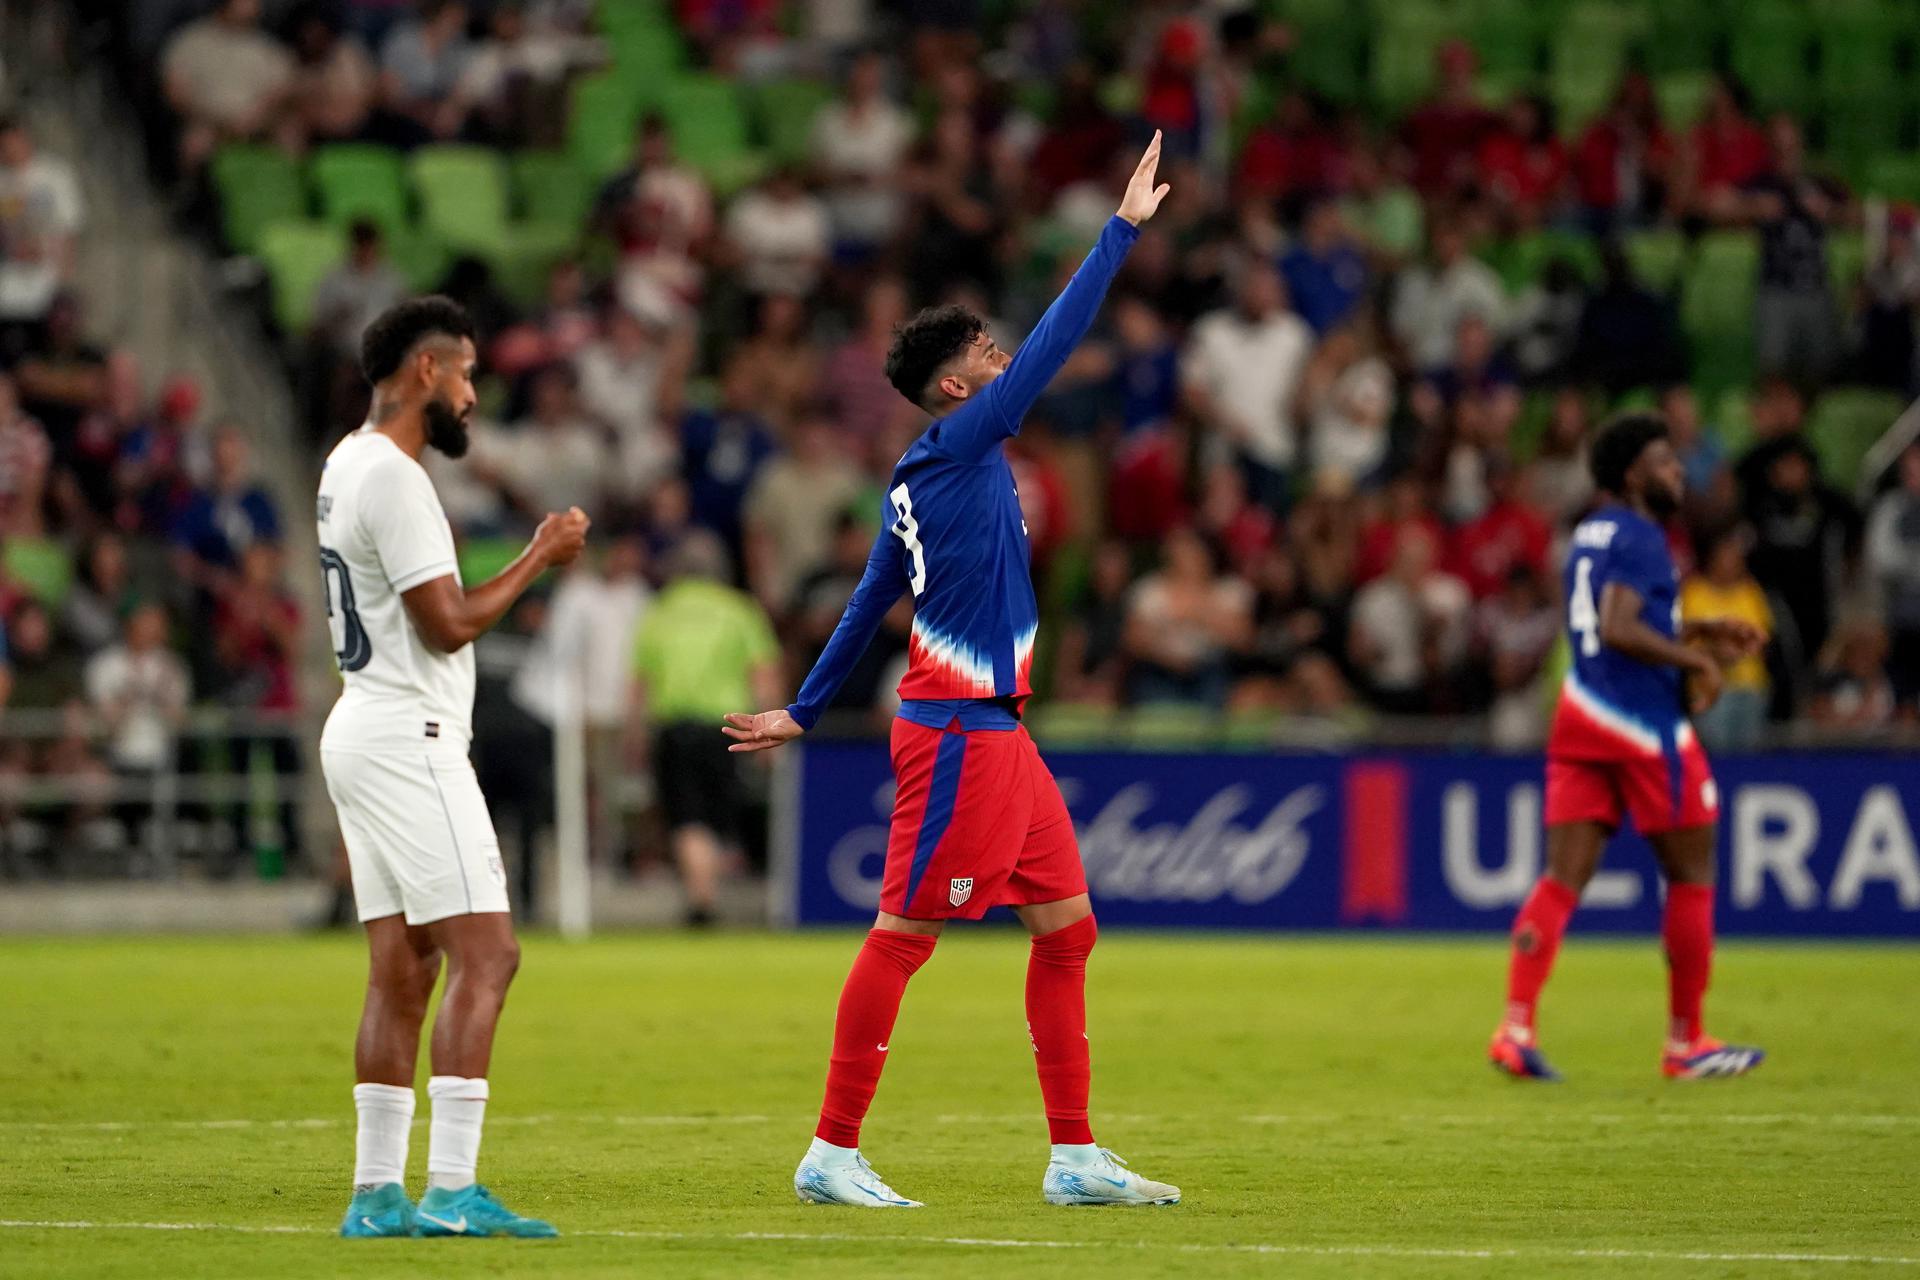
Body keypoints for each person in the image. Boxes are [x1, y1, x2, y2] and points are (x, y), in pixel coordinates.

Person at [721, 133, 1181, 1209]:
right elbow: (1055, 352)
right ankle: (830, 1150)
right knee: (905, 932)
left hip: (1001, 733)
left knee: (1070, 928)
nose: (1000, 356)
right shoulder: (965, 445)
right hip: (956, 731)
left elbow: (871, 595)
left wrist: (803, 705)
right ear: (951, 382)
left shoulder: (920, 478)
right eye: (984, 351)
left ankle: (1074, 1155)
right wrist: (1119, 233)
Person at [318, 296, 587, 1239]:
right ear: (427, 372)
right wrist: (540, 555)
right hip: (409, 737)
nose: (474, 395)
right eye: (466, 374)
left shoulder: (344, 462)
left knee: (402, 970)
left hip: (361, 724)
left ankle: (376, 1195)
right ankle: (452, 1191)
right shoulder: (396, 478)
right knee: (492, 954)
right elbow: (449, 622)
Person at [1491, 413, 1766, 1084]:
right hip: (1643, 725)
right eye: (1663, 461)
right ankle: (1686, 1041)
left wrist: (1695, 628)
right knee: (1693, 873)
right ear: (1630, 476)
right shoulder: (1646, 536)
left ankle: (1515, 1027)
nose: (1677, 470)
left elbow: (1608, 617)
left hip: (1581, 715)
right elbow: (1619, 626)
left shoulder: (1590, 532)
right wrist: (1696, 664)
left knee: (1561, 880)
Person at [628, 532, 782, 926]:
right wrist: (770, 730)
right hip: (727, 728)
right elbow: (764, 674)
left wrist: (635, 733)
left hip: (675, 726)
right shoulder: (739, 610)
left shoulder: (660, 611)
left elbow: (640, 683)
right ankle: (705, 895)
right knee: (715, 816)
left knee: (686, 816)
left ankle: (701, 899)